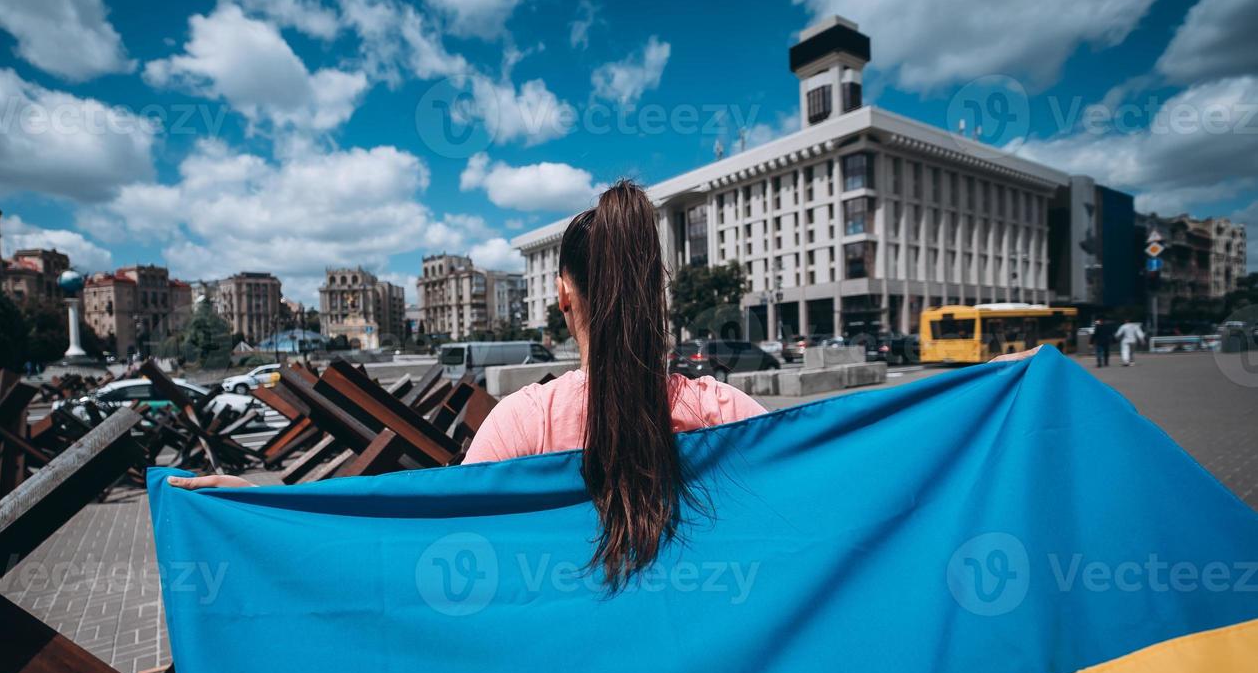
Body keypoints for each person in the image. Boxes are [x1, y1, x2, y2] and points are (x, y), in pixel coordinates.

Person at [168, 181, 1042, 585]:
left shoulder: (519, 425)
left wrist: (250, 509)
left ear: (562, 294)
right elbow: (840, 477)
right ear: (657, 291)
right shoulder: (723, 413)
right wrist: (988, 406)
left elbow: (421, 543)